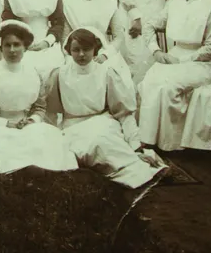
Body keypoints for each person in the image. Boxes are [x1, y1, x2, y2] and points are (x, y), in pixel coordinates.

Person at [46, 27, 166, 188]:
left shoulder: (106, 73)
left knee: (102, 140)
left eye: (86, 49)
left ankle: (135, 168)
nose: (81, 54)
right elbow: (51, 113)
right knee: (88, 146)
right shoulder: (59, 74)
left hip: (102, 121)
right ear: (69, 51)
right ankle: (128, 171)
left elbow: (124, 113)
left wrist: (135, 145)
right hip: (72, 127)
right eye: (76, 50)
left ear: (95, 49)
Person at [0, 20, 78, 174]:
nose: (12, 50)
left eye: (17, 44)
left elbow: (39, 107)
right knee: (5, 147)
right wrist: (6, 123)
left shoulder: (34, 73)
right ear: (1, 47)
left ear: (25, 47)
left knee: (48, 138)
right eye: (7, 45)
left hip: (25, 125)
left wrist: (32, 120)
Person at [138, 0, 211, 151]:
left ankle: (171, 143)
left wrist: (183, 61)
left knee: (168, 86)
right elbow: (150, 24)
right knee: (150, 81)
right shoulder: (174, 0)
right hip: (174, 55)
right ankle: (149, 138)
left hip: (200, 62)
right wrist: (156, 51)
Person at [61, 0, 129, 79]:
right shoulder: (69, 3)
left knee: (113, 76)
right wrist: (68, 56)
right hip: (75, 53)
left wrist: (105, 55)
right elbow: (65, 36)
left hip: (102, 52)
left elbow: (119, 36)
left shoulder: (110, 3)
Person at [1, 0, 65, 78]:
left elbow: (58, 22)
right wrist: (22, 43)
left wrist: (47, 42)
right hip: (21, 43)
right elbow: (8, 23)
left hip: (47, 41)